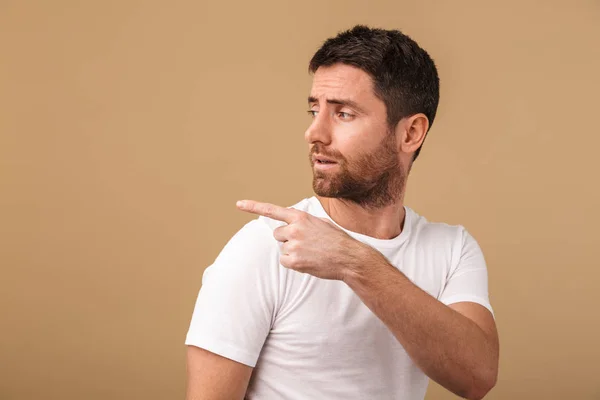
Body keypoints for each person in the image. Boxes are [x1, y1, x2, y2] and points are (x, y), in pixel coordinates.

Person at [185, 25, 499, 400]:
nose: (314, 132)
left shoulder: (452, 249)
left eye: (344, 114)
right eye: (314, 109)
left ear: (411, 133)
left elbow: (477, 378)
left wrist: (354, 262)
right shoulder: (266, 246)